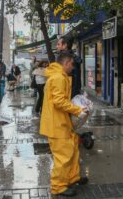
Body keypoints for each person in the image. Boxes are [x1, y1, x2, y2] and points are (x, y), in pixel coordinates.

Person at [40, 52, 89, 197]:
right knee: (64, 156)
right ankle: (58, 186)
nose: (73, 67)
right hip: (57, 125)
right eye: (72, 64)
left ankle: (73, 177)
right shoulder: (58, 78)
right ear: (66, 63)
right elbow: (59, 101)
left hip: (61, 122)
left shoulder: (58, 76)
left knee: (73, 149)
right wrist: (77, 110)